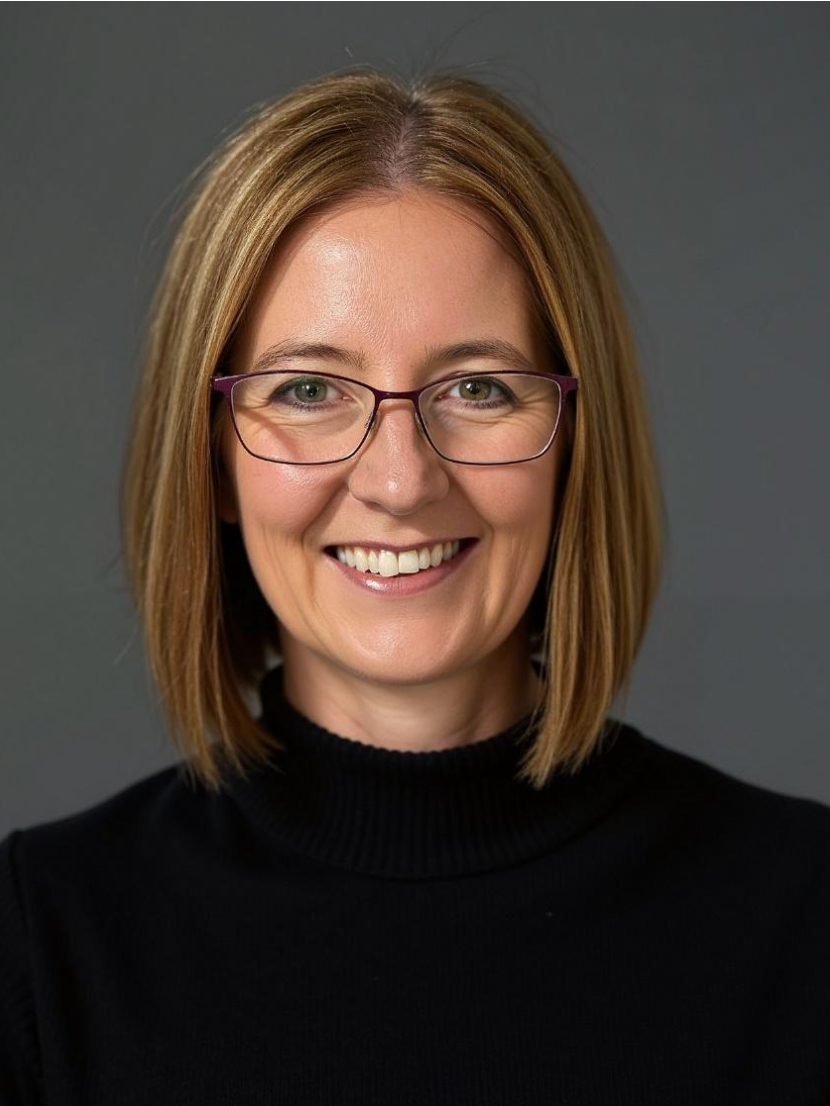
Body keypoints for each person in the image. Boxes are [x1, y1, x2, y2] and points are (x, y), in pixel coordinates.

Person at [1, 67, 828, 1106]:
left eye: (477, 387)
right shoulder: (45, 938)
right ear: (209, 455)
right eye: (306, 388)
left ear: (576, 441)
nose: (399, 480)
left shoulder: (804, 920)